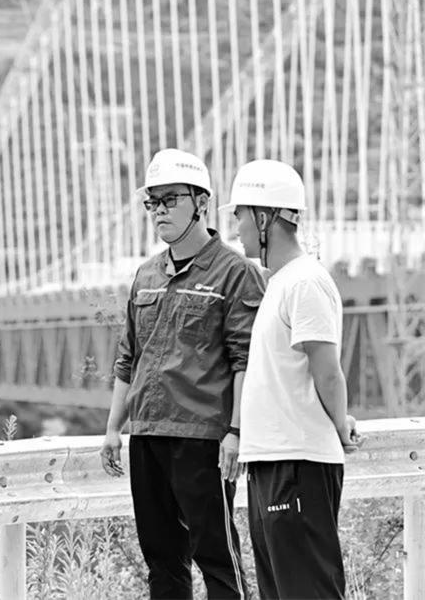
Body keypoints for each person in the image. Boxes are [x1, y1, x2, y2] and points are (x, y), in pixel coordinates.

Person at [100, 149, 265, 599]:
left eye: (170, 199)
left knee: (217, 558)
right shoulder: (145, 275)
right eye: (152, 202)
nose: (159, 211)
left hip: (203, 437)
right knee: (161, 561)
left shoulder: (236, 273)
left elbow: (246, 361)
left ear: (201, 202)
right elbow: (128, 358)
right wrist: (114, 429)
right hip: (147, 434)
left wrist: (235, 432)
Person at [225, 159, 363, 599]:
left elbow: (328, 371)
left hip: (297, 464)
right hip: (272, 462)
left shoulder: (305, 282)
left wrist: (339, 425)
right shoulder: (281, 283)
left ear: (265, 218)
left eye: (240, 215)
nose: (236, 227)